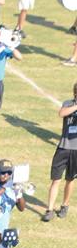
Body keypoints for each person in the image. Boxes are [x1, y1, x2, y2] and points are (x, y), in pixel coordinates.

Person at [42, 84, 77, 222]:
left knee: (70, 179)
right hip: (63, 147)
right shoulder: (68, 103)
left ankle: (65, 205)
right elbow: (61, 113)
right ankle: (49, 209)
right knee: (55, 179)